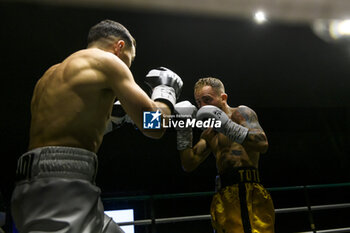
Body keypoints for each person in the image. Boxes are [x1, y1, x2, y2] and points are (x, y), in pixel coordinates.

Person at [11, 19, 182, 233]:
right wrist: (166, 94)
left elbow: (62, 130)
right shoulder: (107, 62)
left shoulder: (51, 74)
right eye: (130, 59)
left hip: (39, 184)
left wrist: (113, 122)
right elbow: (154, 126)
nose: (128, 67)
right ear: (119, 47)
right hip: (61, 187)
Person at [175, 77, 274, 233]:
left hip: (247, 190)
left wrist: (227, 127)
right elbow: (189, 163)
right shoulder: (209, 132)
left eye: (207, 100)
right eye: (199, 102)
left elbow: (262, 144)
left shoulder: (241, 113)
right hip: (222, 196)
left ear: (223, 98)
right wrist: (183, 132)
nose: (202, 106)